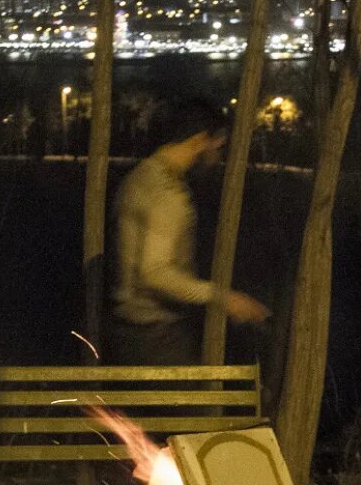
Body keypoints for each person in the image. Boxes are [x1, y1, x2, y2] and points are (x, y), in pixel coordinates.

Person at [109, 97, 269, 365]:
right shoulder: (167, 194)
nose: (217, 155)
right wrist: (223, 297)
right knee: (183, 407)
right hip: (158, 338)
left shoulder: (140, 176)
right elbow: (155, 273)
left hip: (125, 331)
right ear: (198, 139)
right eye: (216, 145)